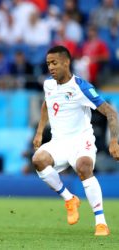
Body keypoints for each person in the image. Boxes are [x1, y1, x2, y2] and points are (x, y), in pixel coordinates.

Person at [32, 45, 119, 236]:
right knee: (38, 160)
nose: (51, 67)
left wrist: (114, 141)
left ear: (66, 62)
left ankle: (100, 222)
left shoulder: (82, 87)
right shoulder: (49, 85)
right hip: (59, 142)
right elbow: (47, 104)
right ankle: (69, 199)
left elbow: (111, 113)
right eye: (48, 64)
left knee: (84, 167)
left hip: (81, 141)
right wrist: (39, 132)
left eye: (54, 63)